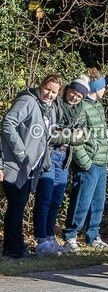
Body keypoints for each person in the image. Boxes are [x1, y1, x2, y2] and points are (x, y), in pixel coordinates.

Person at [2, 75, 61, 259]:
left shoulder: (49, 109)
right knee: (17, 205)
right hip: (15, 165)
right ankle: (14, 249)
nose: (49, 94)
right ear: (41, 86)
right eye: (47, 89)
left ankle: (14, 247)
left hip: (31, 167)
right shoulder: (28, 101)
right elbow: (7, 123)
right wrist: (20, 151)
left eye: (54, 92)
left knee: (19, 205)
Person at [33, 79, 86, 255]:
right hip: (50, 155)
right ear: (66, 90)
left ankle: (50, 237)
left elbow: (83, 135)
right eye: (73, 93)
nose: (75, 97)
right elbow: (50, 135)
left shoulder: (80, 111)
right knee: (45, 198)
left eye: (79, 96)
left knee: (56, 200)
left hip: (65, 158)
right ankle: (41, 239)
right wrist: (71, 135)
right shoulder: (55, 105)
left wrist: (66, 134)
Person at [62, 72, 108, 251]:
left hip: (101, 162)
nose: (105, 89)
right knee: (81, 201)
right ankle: (71, 236)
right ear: (96, 88)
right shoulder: (82, 106)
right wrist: (85, 162)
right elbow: (76, 138)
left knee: (98, 202)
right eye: (103, 86)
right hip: (88, 163)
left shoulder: (99, 106)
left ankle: (93, 235)